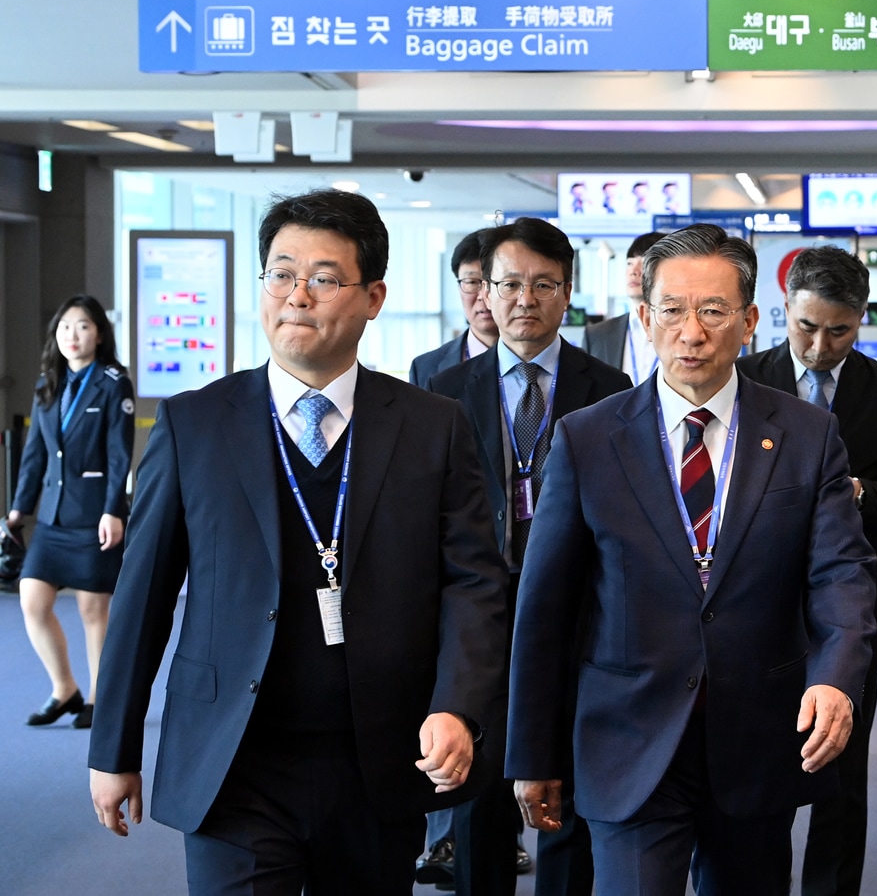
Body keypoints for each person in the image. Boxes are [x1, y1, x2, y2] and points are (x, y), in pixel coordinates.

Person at [87, 188, 511, 896]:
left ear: (374, 297)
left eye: (323, 278)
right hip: (234, 760)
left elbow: (475, 583)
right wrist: (114, 745)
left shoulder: (432, 426)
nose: (297, 295)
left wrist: (457, 705)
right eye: (281, 274)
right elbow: (144, 593)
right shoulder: (196, 424)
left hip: (378, 758)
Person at [506, 223, 877, 896]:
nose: (692, 332)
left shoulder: (806, 434)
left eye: (713, 311)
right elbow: (545, 609)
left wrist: (835, 679)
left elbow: (841, 575)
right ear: (645, 318)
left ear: (750, 321)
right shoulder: (588, 439)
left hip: (757, 734)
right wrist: (532, 752)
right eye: (673, 310)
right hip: (628, 735)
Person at [429, 217, 630, 896]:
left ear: (567, 293)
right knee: (479, 794)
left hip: (577, 612)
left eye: (544, 285)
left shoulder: (611, 387)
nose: (525, 299)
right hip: (477, 612)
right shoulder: (444, 391)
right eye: (510, 283)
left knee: (570, 790)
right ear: (484, 290)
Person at [737, 245, 877, 896]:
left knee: (841, 763)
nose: (820, 346)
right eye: (807, 327)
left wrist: (860, 492)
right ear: (784, 309)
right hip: (754, 601)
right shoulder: (743, 377)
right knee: (755, 758)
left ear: (861, 319)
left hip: (849, 603)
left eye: (839, 331)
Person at [7, 294, 134, 730]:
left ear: (98, 334)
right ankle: (65, 689)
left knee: (93, 610)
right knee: (32, 600)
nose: (72, 335)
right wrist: (18, 509)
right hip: (53, 517)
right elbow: (35, 454)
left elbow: (119, 455)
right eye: (64, 327)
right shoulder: (48, 383)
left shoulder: (113, 383)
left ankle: (99, 696)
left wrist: (113, 510)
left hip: (95, 515)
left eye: (82, 326)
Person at [409, 228, 499, 388]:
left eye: (493, 283)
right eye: (472, 282)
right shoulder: (424, 368)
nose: (483, 295)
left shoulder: (535, 361)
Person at [581, 230, 666, 384]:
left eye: (644, 263)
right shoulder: (597, 335)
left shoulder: (683, 330)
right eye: (629, 263)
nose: (634, 271)